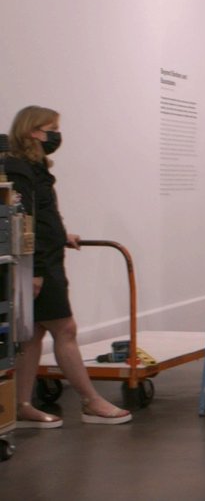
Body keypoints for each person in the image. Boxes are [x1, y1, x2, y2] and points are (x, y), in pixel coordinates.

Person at [6, 105, 133, 427]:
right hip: (40, 265)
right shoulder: (19, 168)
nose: (56, 135)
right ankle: (91, 401)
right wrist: (33, 270)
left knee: (33, 333)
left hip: (46, 258)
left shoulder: (33, 168)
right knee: (65, 329)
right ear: (33, 131)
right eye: (51, 128)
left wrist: (63, 235)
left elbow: (42, 216)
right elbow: (23, 221)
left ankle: (21, 405)